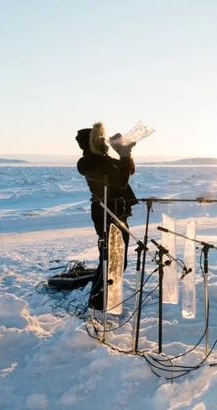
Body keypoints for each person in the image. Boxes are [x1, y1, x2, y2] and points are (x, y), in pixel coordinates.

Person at [75, 122, 138, 310]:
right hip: (105, 214)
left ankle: (105, 300)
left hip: (118, 212)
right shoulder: (87, 162)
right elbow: (120, 181)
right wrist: (124, 155)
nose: (104, 141)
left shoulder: (104, 159)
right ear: (91, 142)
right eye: (100, 139)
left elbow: (128, 170)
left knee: (119, 260)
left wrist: (124, 152)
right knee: (109, 259)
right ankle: (97, 303)